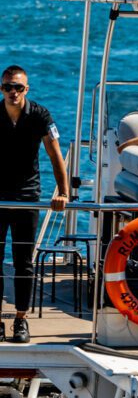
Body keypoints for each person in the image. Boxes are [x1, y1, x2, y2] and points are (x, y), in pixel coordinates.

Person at [0, 65, 69, 343]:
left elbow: (55, 157)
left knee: (23, 262)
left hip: (27, 194)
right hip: (0, 196)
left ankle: (20, 320)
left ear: (26, 89)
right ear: (2, 89)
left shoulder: (40, 115)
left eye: (18, 87)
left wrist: (63, 193)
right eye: (7, 87)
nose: (12, 92)